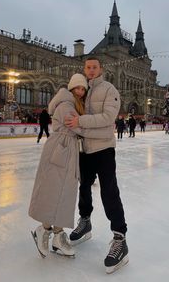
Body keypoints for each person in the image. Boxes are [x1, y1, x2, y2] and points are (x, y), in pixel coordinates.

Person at [29, 73, 113, 258]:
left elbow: (80, 128)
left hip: (67, 151)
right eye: (78, 88)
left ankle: (56, 234)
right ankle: (47, 231)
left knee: (63, 194)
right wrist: (106, 131)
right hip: (61, 150)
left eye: (83, 89)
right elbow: (81, 129)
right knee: (57, 193)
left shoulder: (72, 105)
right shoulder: (66, 106)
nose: (81, 92)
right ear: (71, 88)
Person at [65, 57, 128, 274]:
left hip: (104, 150)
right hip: (85, 149)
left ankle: (120, 238)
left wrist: (81, 123)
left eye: (94, 67)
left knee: (109, 191)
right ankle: (85, 222)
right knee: (83, 188)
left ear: (101, 69)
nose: (91, 70)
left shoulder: (109, 89)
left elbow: (108, 118)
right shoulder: (80, 90)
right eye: (87, 67)